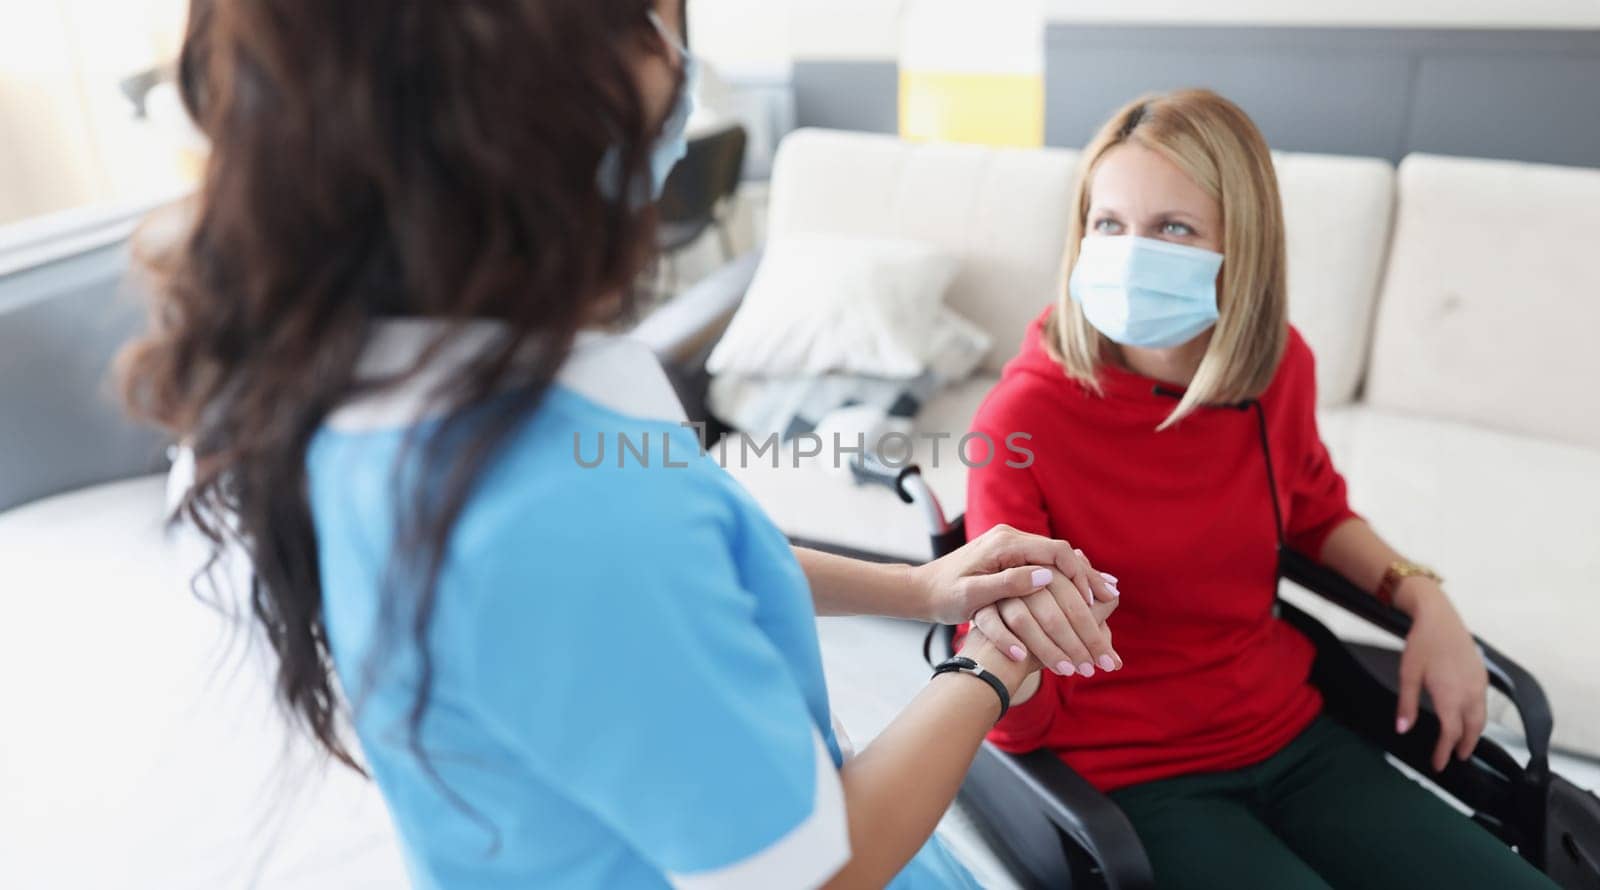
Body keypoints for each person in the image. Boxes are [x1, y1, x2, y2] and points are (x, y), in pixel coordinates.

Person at [120, 2, 1123, 887]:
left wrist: (919, 592)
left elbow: (706, 557)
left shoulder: (359, 386)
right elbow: (816, 870)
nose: (675, 59)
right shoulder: (558, 510)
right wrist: (986, 667)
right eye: (641, 17)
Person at [961, 88, 1556, 889]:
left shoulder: (1277, 368)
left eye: (1174, 227)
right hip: (1131, 771)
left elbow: (1312, 510)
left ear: (1241, 246)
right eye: (1110, 224)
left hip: (1289, 733)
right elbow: (1006, 677)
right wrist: (1007, 670)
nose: (1134, 251)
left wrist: (1426, 601)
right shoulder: (1020, 420)